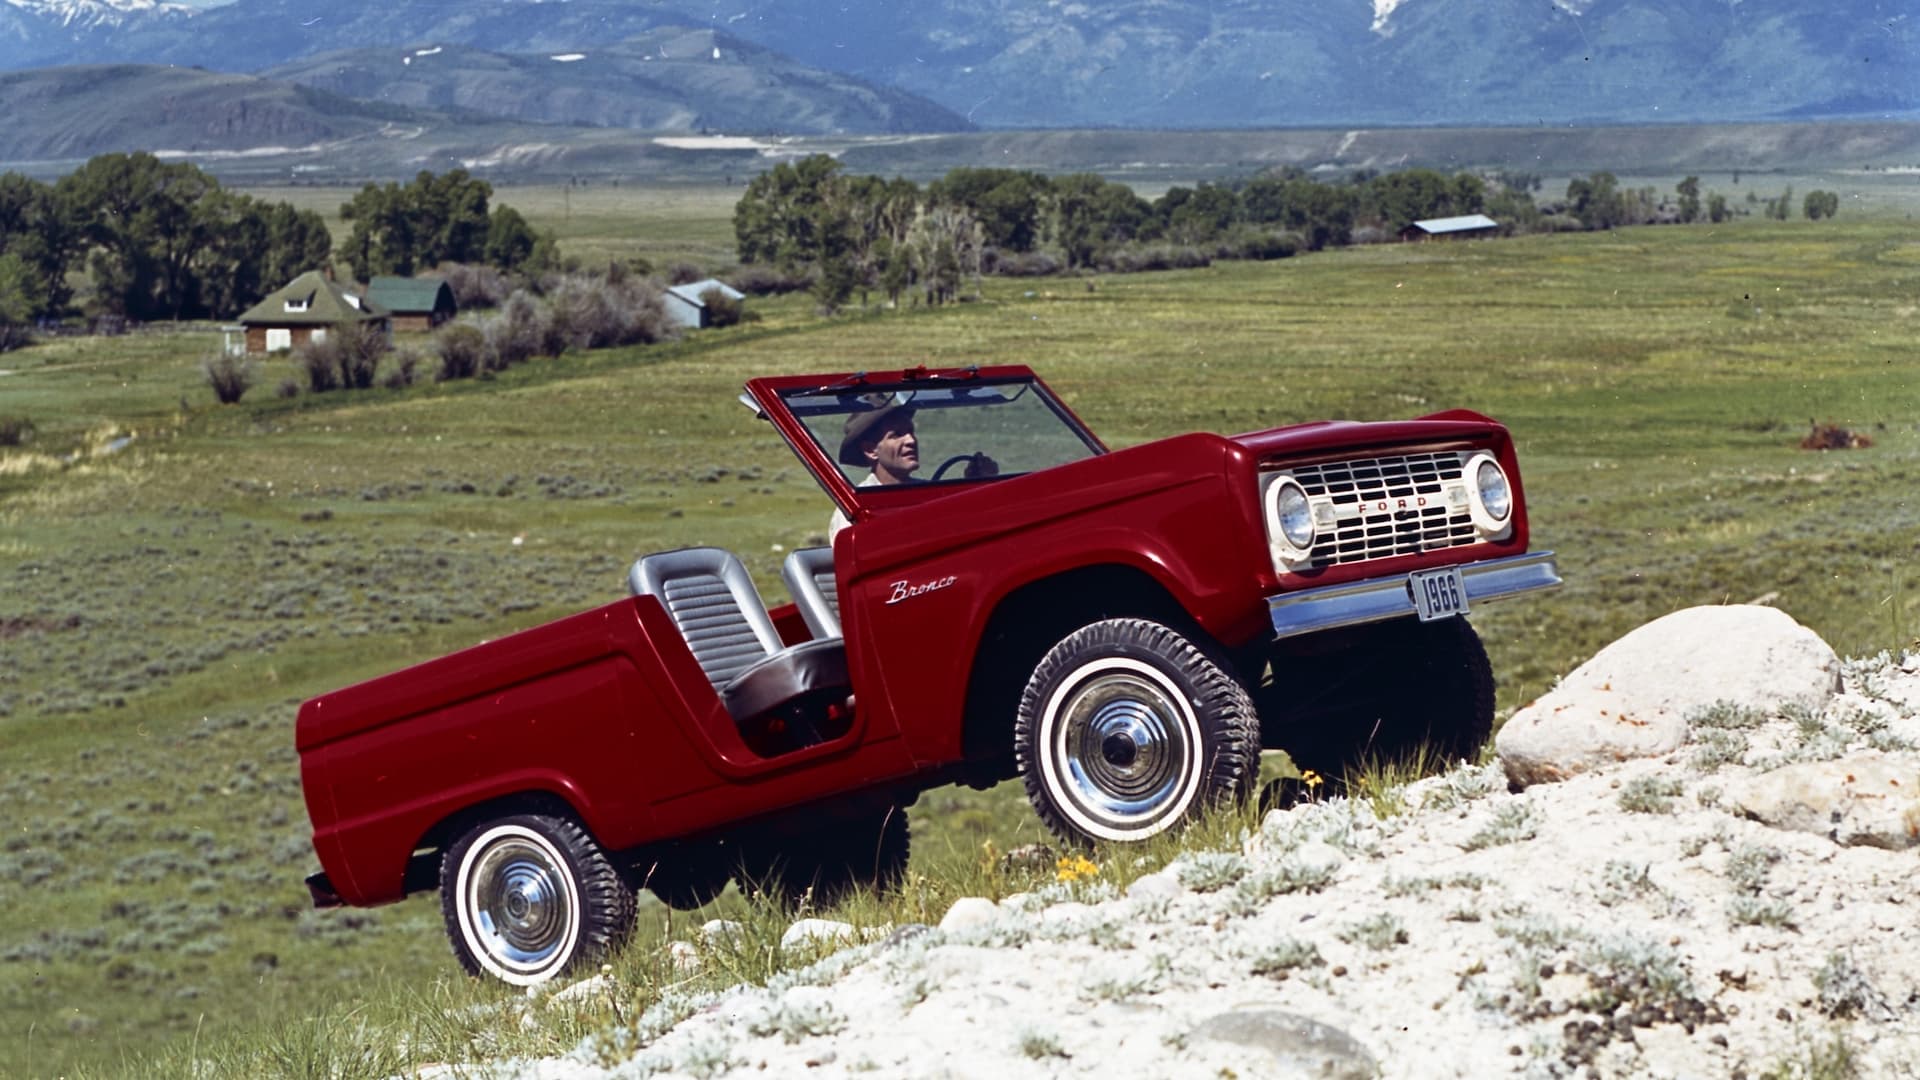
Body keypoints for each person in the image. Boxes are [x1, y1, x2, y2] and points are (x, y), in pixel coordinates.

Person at [827, 402, 995, 541]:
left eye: (911, 432)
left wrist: (980, 486)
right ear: (871, 450)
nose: (911, 440)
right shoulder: (854, 509)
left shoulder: (928, 494)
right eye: (896, 435)